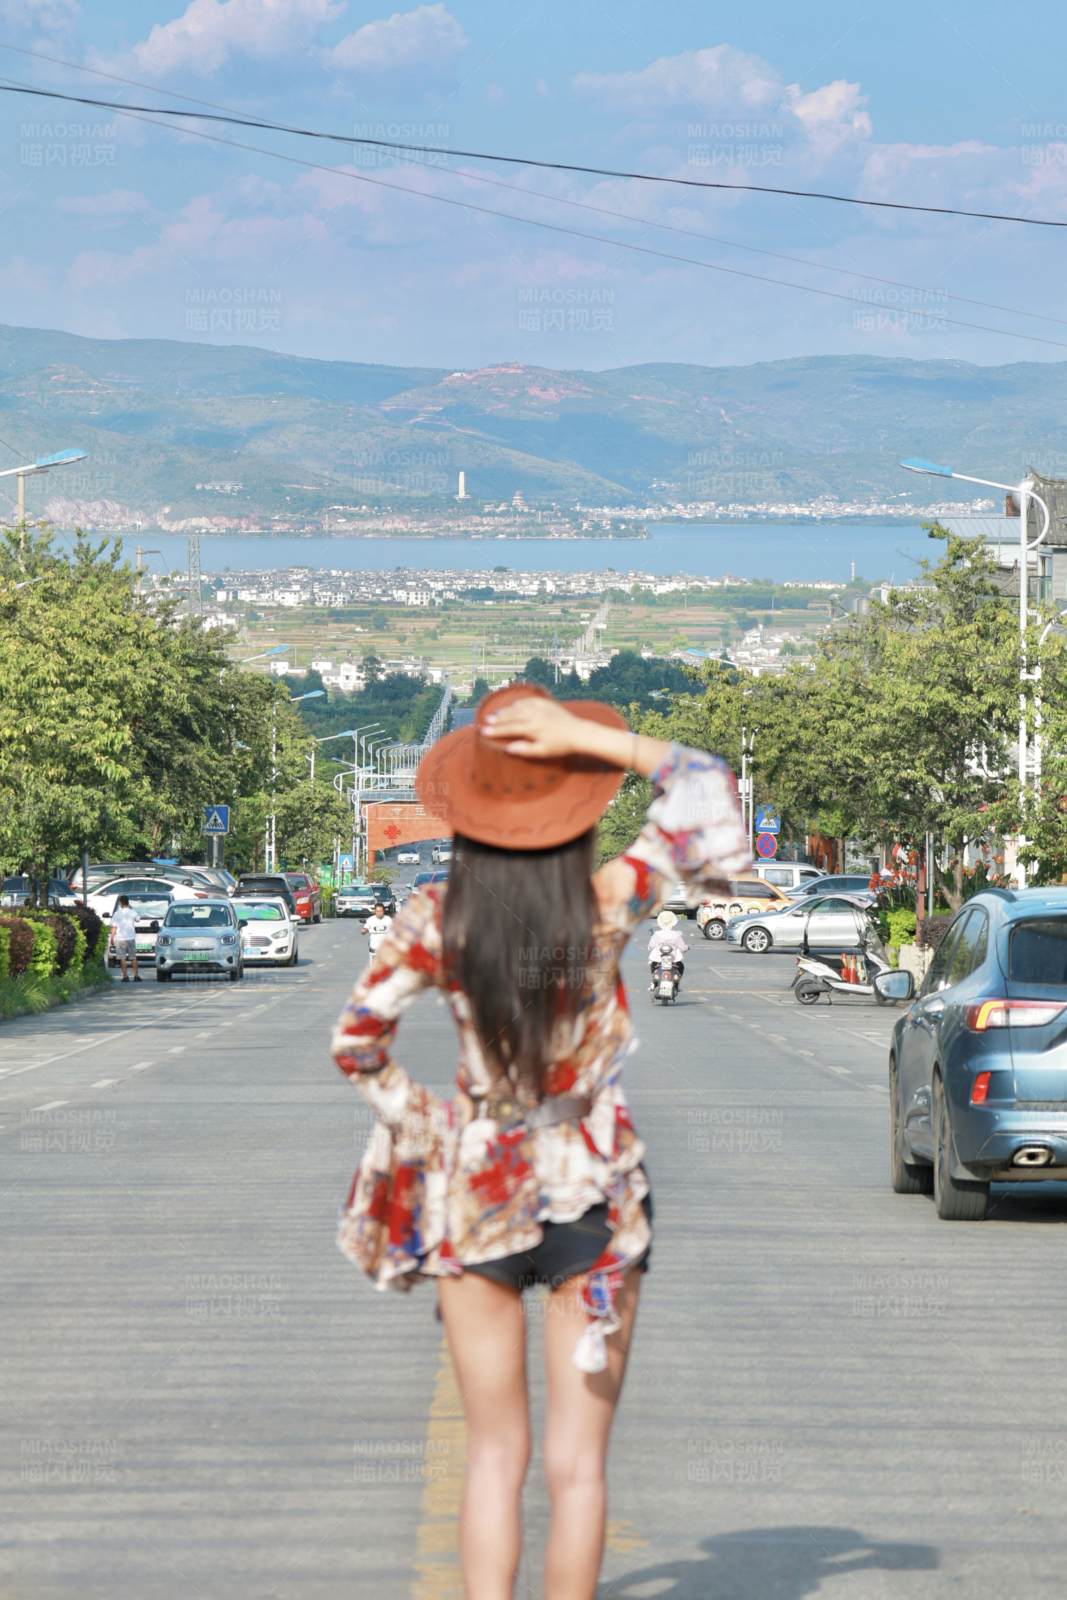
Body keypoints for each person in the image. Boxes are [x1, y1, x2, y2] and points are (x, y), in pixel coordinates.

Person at [330, 684, 749, 1599]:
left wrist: (431, 1121)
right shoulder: (607, 901)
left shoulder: (437, 919)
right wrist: (584, 738)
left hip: (479, 1194)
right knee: (577, 1467)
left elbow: (356, 1044)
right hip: (596, 1201)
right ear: (575, 812)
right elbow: (706, 788)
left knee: (492, 1457)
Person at [646, 908, 688, 993]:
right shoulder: (676, 934)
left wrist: (649, 948)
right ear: (673, 923)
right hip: (674, 958)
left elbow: (651, 946)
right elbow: (683, 947)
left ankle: (653, 983)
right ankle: (676, 984)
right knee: (680, 967)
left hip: (658, 957)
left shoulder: (657, 934)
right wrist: (686, 948)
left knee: (653, 965)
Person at [109, 894, 141, 983]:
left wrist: (112, 937)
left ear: (120, 902)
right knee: (133, 957)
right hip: (131, 937)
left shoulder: (117, 913)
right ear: (128, 902)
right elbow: (138, 919)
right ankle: (136, 976)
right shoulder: (132, 912)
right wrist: (131, 908)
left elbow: (114, 927)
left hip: (120, 938)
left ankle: (125, 976)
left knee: (122, 958)